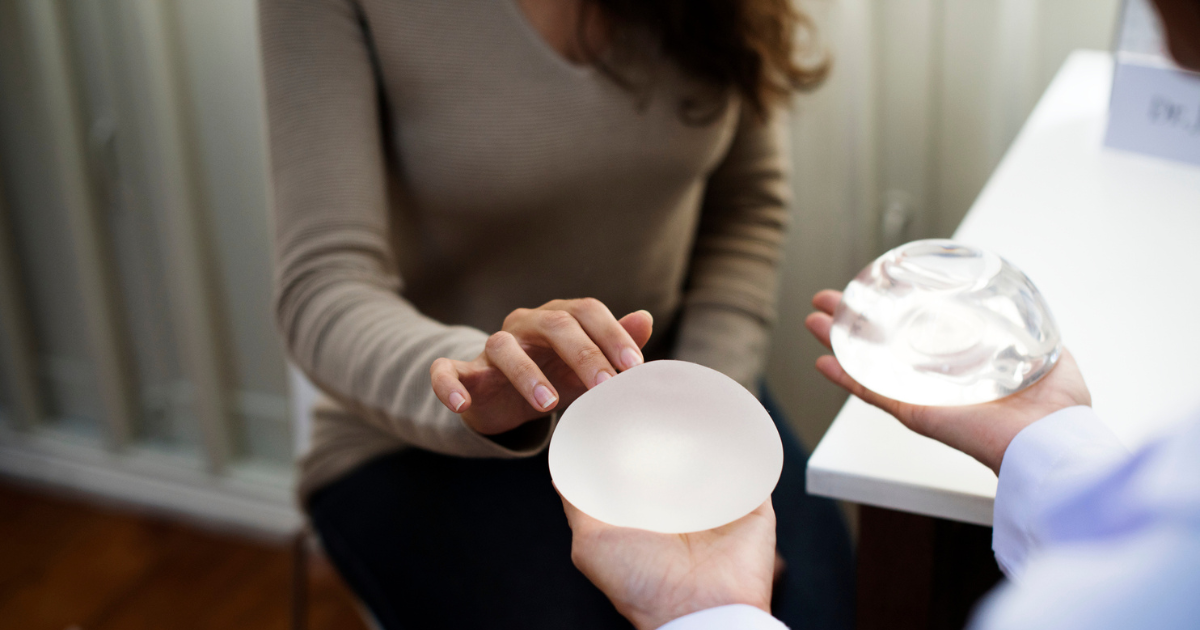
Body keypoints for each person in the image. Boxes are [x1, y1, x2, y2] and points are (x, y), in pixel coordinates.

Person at [561, 1, 1200, 627]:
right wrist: (1055, 440)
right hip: (505, 418)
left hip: (693, 375)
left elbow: (747, 201)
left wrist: (705, 609)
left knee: (825, 595)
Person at [260, 0, 853, 628]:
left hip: (664, 390)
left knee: (822, 607)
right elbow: (322, 284)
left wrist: (701, 417)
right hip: (427, 440)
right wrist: (475, 382)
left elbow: (747, 205)